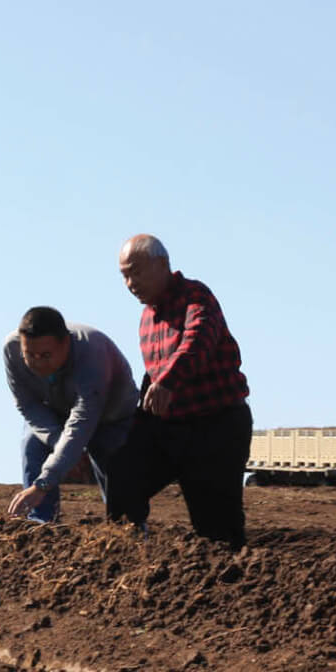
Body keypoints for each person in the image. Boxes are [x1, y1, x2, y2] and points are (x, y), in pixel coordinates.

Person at [110, 234, 252, 549]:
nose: (130, 283)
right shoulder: (148, 316)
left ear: (162, 265)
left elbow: (198, 341)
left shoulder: (196, 296)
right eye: (124, 275)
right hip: (169, 426)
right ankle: (129, 552)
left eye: (136, 272)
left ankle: (232, 584)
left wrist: (168, 381)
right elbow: (153, 374)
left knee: (216, 527)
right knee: (122, 480)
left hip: (215, 426)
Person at [3, 306, 139, 524]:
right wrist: (59, 443)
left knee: (110, 458)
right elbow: (28, 405)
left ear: (66, 343)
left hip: (111, 416)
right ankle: (40, 525)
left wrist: (43, 484)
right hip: (58, 412)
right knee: (32, 442)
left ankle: (127, 527)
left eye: (46, 355)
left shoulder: (92, 353)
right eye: (30, 355)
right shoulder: (12, 349)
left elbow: (83, 420)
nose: (37, 363)